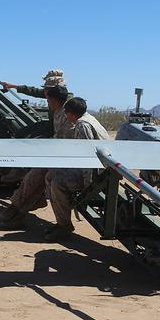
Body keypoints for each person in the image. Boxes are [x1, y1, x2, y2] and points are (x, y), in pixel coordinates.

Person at [0, 85, 73, 227]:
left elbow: (67, 144)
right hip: (61, 156)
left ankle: (19, 211)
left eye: (48, 99)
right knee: (33, 176)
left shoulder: (68, 114)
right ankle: (16, 208)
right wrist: (13, 86)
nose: (47, 101)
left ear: (55, 99)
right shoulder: (58, 108)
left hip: (72, 162)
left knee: (42, 177)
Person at [44, 97, 109, 241]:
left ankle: (65, 226)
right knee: (49, 176)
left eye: (66, 113)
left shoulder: (82, 125)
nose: (66, 117)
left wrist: (88, 187)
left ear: (72, 114)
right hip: (102, 170)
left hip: (97, 174)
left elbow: (88, 158)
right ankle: (61, 222)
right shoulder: (90, 119)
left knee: (57, 183)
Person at [1, 69, 71, 137]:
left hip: (57, 129)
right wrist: (13, 86)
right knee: (21, 133)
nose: (45, 91)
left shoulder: (68, 104)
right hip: (51, 125)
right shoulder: (50, 93)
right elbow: (33, 91)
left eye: (47, 88)